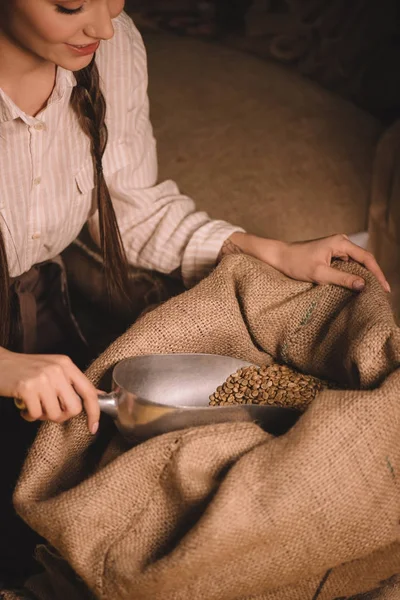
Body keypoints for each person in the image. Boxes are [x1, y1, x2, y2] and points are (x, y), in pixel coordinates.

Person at [0, 0, 390, 587]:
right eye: (71, 5)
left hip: (40, 312)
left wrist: (268, 250)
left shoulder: (111, 50)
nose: (104, 26)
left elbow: (131, 210)